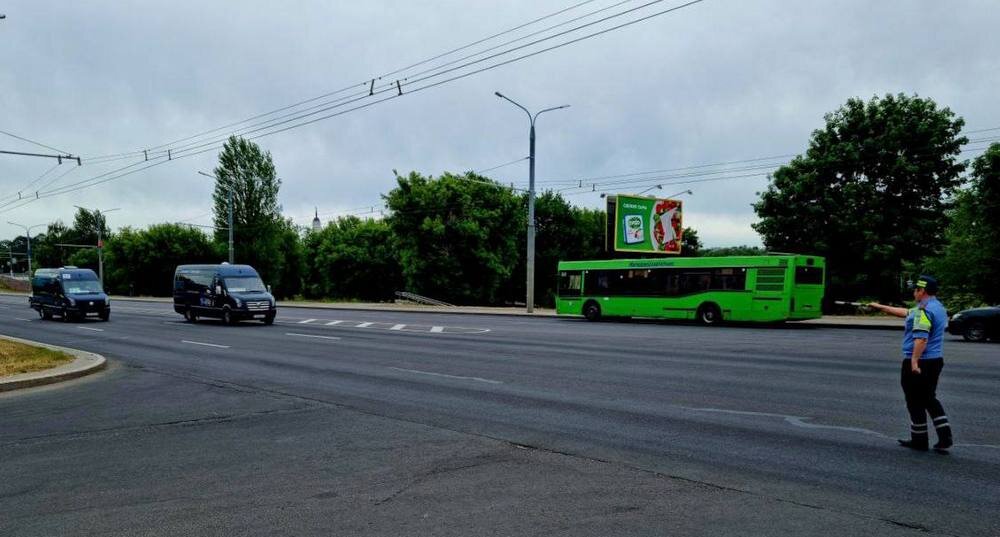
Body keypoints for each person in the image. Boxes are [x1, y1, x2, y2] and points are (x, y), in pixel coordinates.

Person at [869, 275, 953, 453]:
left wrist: (914, 361)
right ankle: (945, 436)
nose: (914, 293)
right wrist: (880, 307)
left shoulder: (924, 311)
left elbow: (921, 338)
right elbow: (906, 313)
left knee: (914, 400)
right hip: (935, 360)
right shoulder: (936, 307)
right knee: (929, 398)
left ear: (921, 291)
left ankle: (920, 440)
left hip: (920, 361)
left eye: (915, 290)